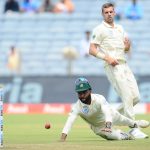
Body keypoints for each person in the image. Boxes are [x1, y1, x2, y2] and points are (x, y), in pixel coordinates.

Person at [89, 2, 148, 138]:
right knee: (127, 96)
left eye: (111, 12)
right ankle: (133, 128)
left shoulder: (120, 28)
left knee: (135, 98)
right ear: (103, 14)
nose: (109, 14)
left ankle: (104, 118)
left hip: (124, 65)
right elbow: (92, 50)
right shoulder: (99, 29)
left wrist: (127, 47)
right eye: (106, 12)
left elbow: (123, 49)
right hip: (112, 66)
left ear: (115, 13)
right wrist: (106, 58)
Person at [60, 78, 149, 141]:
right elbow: (69, 122)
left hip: (112, 116)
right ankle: (127, 135)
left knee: (128, 122)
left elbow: (107, 112)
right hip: (98, 127)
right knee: (114, 137)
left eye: (84, 92)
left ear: (90, 91)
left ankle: (136, 123)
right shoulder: (77, 107)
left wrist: (108, 125)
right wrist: (63, 138)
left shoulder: (99, 98)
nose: (82, 96)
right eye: (79, 93)